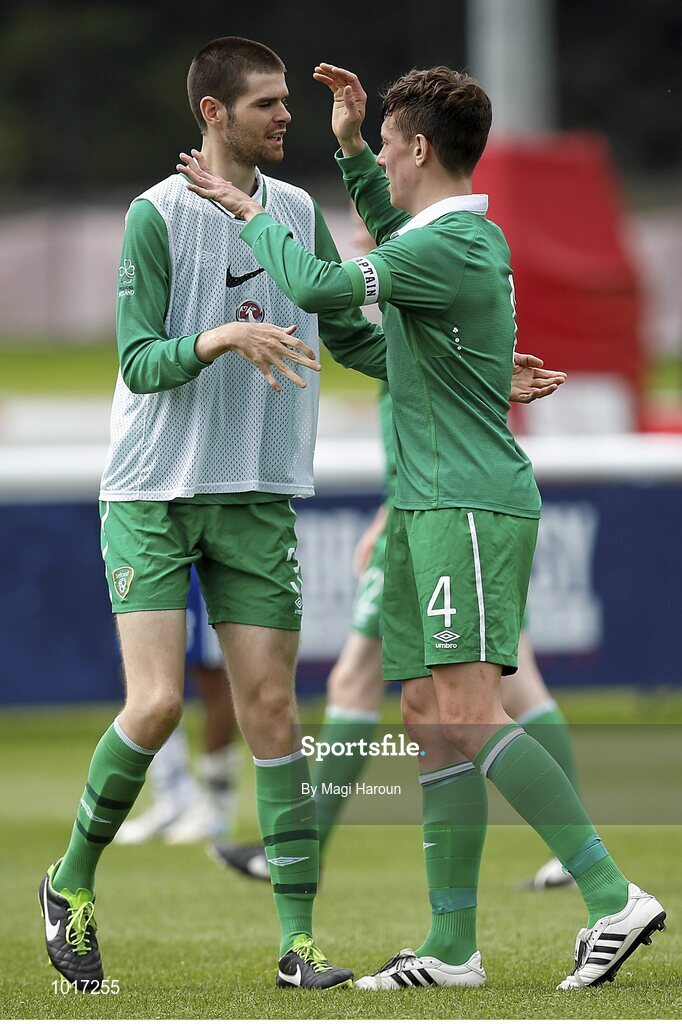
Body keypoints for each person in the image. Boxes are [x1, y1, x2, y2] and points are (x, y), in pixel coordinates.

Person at [178, 62, 666, 991]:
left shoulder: (449, 250)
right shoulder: (446, 240)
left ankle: (611, 895)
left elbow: (325, 286)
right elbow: (383, 270)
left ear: (422, 149)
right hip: (431, 507)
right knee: (425, 717)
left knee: (471, 715)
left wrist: (247, 214)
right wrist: (355, 148)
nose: (383, 172)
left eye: (390, 150)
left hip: (467, 506)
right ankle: (451, 949)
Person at [38, 35, 397, 993]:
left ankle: (298, 944)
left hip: (256, 492)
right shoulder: (154, 217)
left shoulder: (295, 214)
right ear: (213, 114)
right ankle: (69, 882)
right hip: (152, 493)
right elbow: (139, 363)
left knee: (273, 714)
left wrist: (478, 375)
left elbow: (355, 334)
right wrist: (223, 335)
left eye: (287, 102)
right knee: (156, 704)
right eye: (268, 104)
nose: (287, 117)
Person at [115, 571, 241, 846]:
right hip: (146, 547)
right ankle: (174, 797)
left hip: (196, 551)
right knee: (143, 667)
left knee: (211, 671)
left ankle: (216, 806)